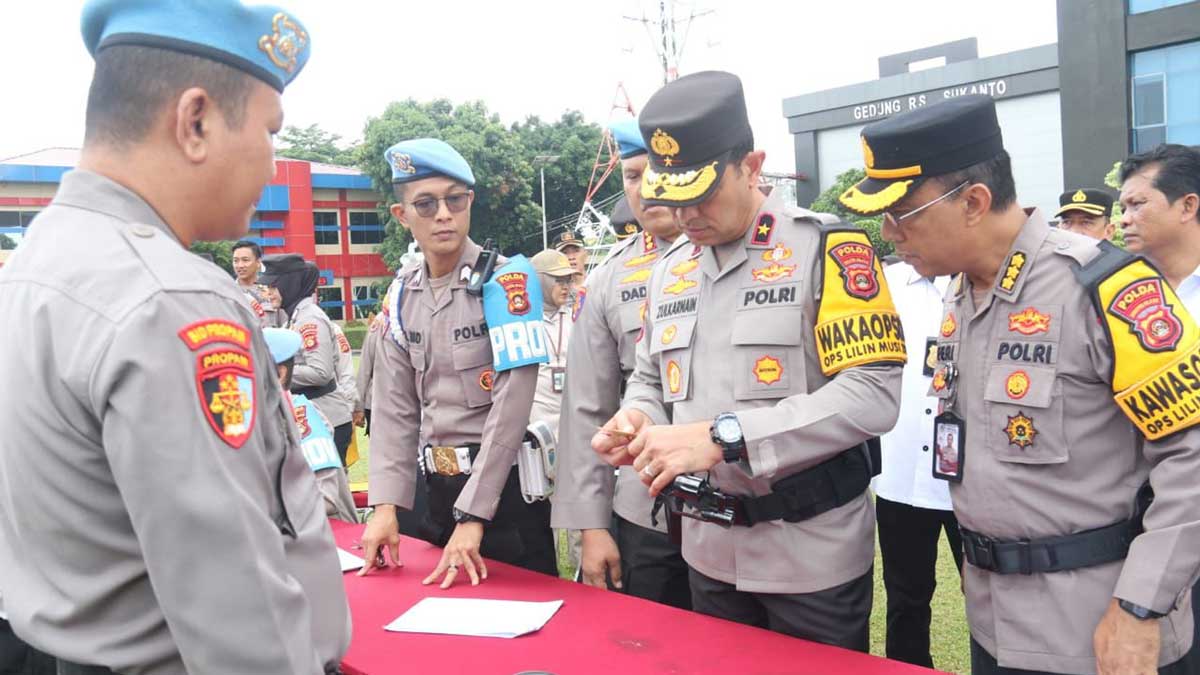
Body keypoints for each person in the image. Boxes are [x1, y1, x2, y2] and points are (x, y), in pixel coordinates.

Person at [0, 2, 350, 672]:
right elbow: (237, 613)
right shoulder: (172, 301)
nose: (273, 166)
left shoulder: (36, 263)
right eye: (271, 132)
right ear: (196, 121)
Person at [841, 94, 1200, 674]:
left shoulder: (1103, 287)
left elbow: (1193, 455)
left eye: (900, 216)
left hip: (1098, 629)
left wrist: (1141, 608)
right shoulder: (962, 290)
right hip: (994, 621)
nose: (889, 236)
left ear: (974, 202)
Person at [592, 71, 905, 649]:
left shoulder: (827, 250)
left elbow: (872, 393)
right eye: (672, 197)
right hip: (709, 549)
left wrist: (727, 437)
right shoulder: (671, 269)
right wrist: (638, 417)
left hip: (811, 554)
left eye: (702, 195)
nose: (684, 216)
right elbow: (649, 379)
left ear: (752, 165)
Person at [359, 138, 556, 587]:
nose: (443, 214)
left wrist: (473, 514)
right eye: (425, 204)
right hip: (433, 492)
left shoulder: (508, 284)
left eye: (455, 199)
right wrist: (385, 504)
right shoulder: (401, 294)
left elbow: (511, 406)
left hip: (502, 499)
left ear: (470, 202)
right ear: (402, 215)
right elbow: (393, 409)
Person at [551, 117, 691, 609]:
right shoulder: (609, 279)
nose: (645, 187)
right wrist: (592, 525)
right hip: (645, 509)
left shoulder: (745, 256)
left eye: (654, 170)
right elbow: (587, 409)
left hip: (739, 507)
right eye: (631, 176)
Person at [874, 260, 963, 669]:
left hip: (974, 482)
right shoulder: (883, 284)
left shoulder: (980, 275)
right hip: (901, 472)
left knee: (996, 603)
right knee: (905, 600)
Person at [259, 254, 356, 466]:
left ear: (288, 285)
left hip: (327, 419)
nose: (269, 294)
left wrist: (276, 373)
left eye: (273, 287)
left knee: (326, 491)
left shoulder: (309, 318)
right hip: (314, 418)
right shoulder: (295, 316)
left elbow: (321, 372)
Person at [263, 327, 357, 522]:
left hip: (329, 539)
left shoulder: (301, 414)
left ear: (279, 374)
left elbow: (326, 499)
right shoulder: (253, 419)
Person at [1118, 144, 1200, 312]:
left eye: (1137, 204)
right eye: (1123, 209)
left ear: (1188, 206)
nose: (1124, 220)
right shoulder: (1114, 289)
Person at [528, 249, 576, 438]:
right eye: (558, 280)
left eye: (568, 280)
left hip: (574, 419)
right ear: (540, 281)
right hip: (537, 426)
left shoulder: (578, 318)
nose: (565, 287)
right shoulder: (524, 322)